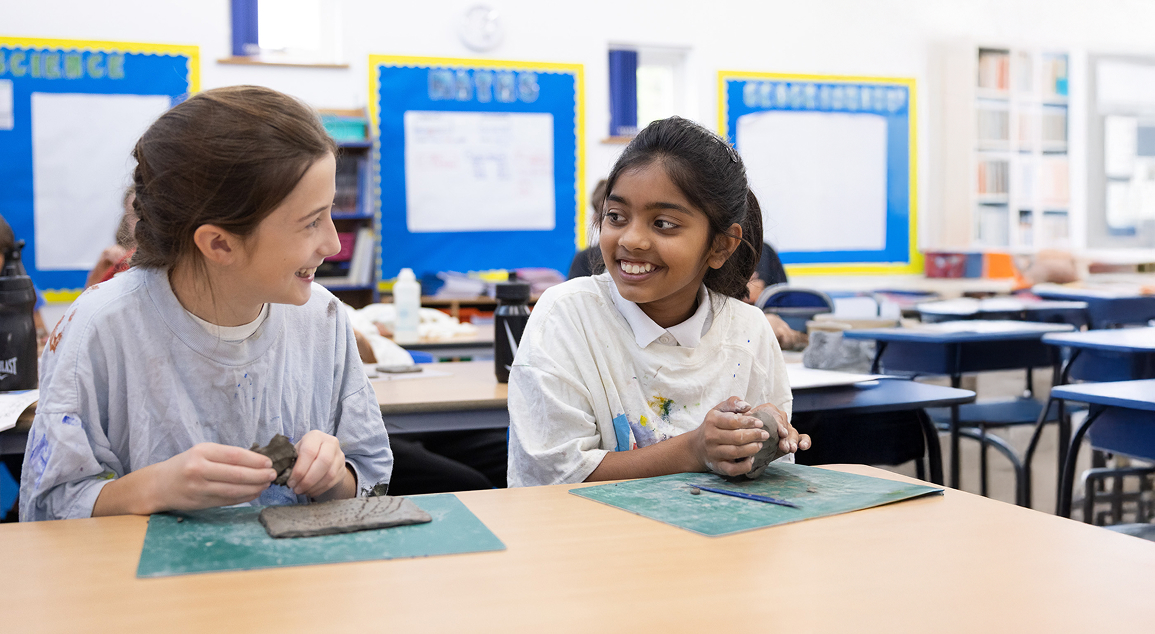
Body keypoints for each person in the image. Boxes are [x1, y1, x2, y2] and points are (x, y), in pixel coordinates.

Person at [20, 86, 392, 521]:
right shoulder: (99, 327)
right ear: (219, 243)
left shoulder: (322, 318)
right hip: (145, 584)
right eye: (311, 223)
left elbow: (369, 477)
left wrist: (335, 477)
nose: (331, 243)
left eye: (329, 213)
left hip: (293, 581)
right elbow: (45, 512)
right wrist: (154, 488)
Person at [508, 116, 810, 487]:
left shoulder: (747, 332)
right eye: (616, 216)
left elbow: (763, 474)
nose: (631, 239)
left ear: (720, 245)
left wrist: (757, 439)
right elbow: (551, 477)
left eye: (663, 223)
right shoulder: (567, 316)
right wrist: (695, 450)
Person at [84, 186, 139, 288]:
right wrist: (101, 268)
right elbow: (86, 301)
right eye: (133, 215)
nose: (140, 221)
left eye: (145, 214)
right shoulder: (116, 261)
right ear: (125, 219)